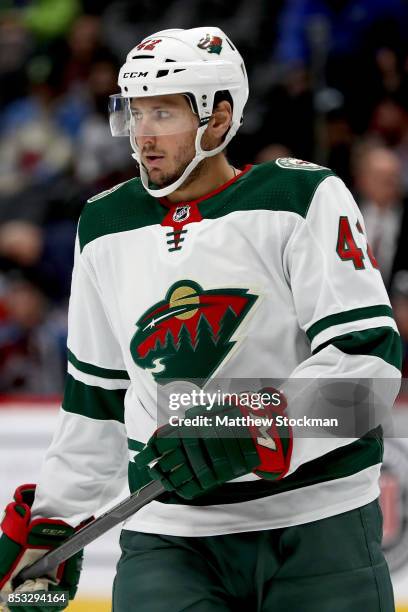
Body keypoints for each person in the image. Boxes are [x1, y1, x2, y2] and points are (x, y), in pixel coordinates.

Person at [0, 27, 401, 612]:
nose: (142, 136)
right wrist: (55, 520)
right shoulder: (105, 225)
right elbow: (98, 399)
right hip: (172, 540)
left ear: (218, 118)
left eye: (162, 113)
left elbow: (370, 371)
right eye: (133, 114)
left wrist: (257, 425)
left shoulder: (301, 197)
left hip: (319, 525)